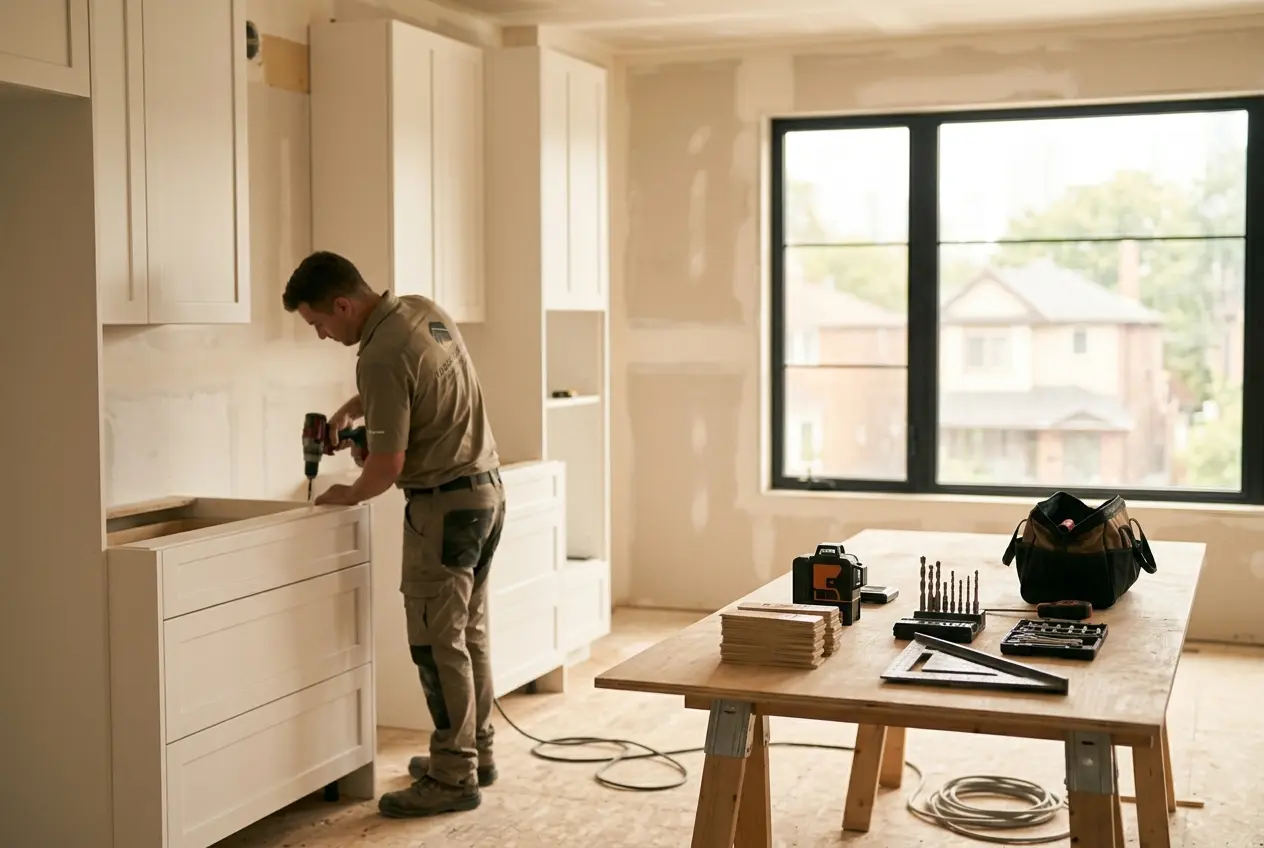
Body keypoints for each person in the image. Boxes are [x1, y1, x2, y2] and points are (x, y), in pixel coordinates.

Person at [282, 250, 505, 818]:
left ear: (342, 304)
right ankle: (474, 753)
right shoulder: (418, 310)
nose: (322, 336)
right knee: (466, 634)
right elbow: (414, 386)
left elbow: (384, 468)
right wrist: (357, 412)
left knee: (435, 645)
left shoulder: (377, 356)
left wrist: (348, 490)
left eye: (319, 324)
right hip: (485, 495)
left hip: (444, 509)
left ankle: (453, 778)